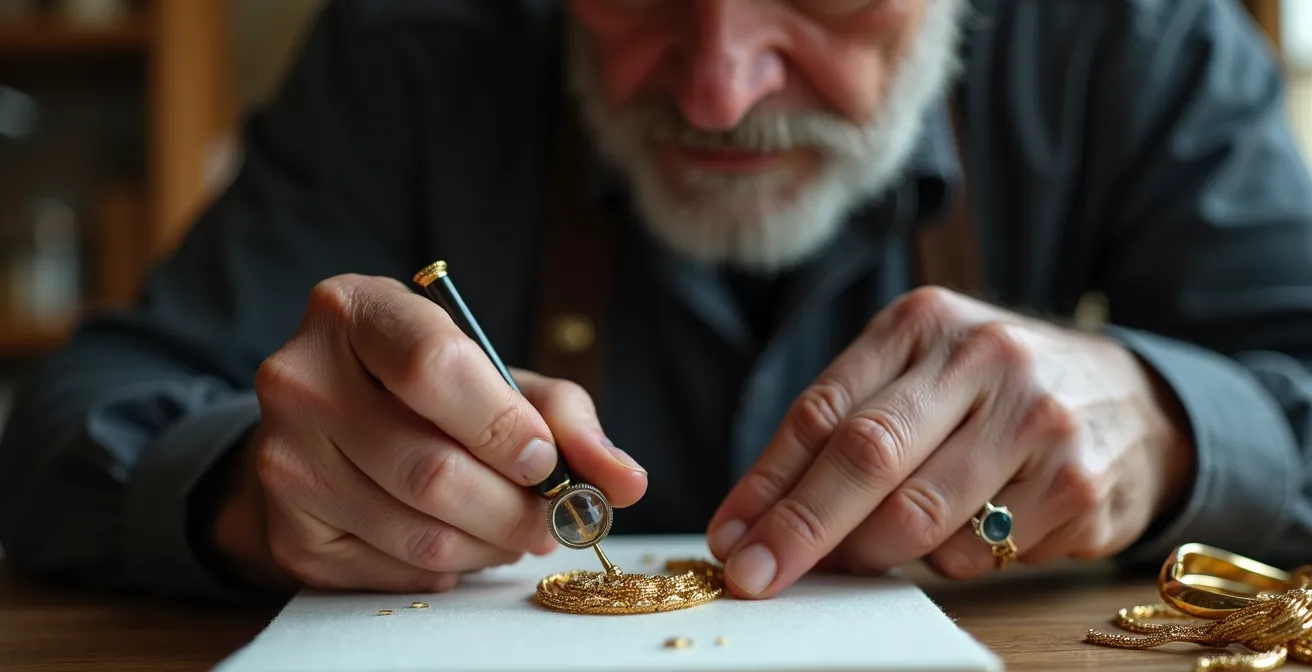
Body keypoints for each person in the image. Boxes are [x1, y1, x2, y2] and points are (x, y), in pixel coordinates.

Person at [2, 0, 1311, 607]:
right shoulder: (412, 47)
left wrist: (1168, 421)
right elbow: (73, 420)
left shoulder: (1134, 38)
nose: (715, 91)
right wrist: (250, 486)